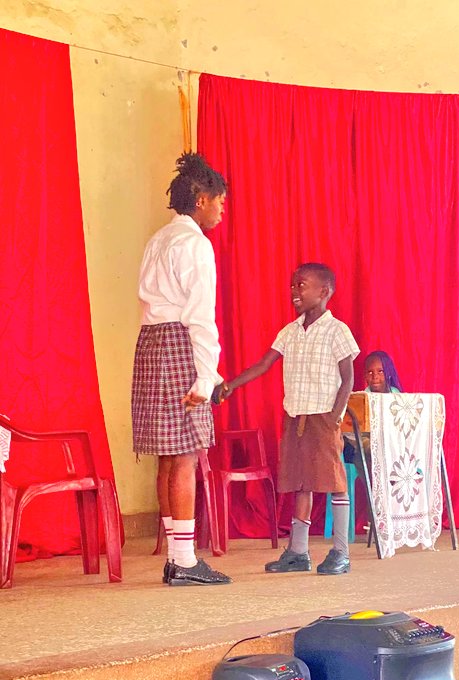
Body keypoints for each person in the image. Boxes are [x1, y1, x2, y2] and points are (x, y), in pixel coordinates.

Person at [214, 263, 359, 575]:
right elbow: (264, 364)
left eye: (301, 285)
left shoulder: (337, 330)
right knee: (300, 482)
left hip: (323, 417)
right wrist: (230, 385)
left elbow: (348, 377)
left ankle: (341, 553)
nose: (294, 291)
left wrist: (335, 415)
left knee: (335, 482)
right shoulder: (290, 331)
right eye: (292, 285)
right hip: (295, 416)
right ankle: (298, 552)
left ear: (324, 291)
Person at [131, 152, 231, 586]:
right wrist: (207, 377)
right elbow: (200, 316)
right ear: (202, 199)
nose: (222, 210)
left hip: (151, 344)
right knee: (187, 454)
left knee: (168, 456)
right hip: (179, 344)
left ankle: (175, 555)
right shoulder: (195, 244)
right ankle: (185, 561)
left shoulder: (158, 239)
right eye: (220, 201)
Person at [343, 349, 403, 468]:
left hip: (390, 440)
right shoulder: (362, 398)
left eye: (380, 371)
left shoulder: (396, 397)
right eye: (370, 372)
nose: (375, 376)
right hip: (366, 439)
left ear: (388, 373)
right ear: (365, 376)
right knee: (365, 448)